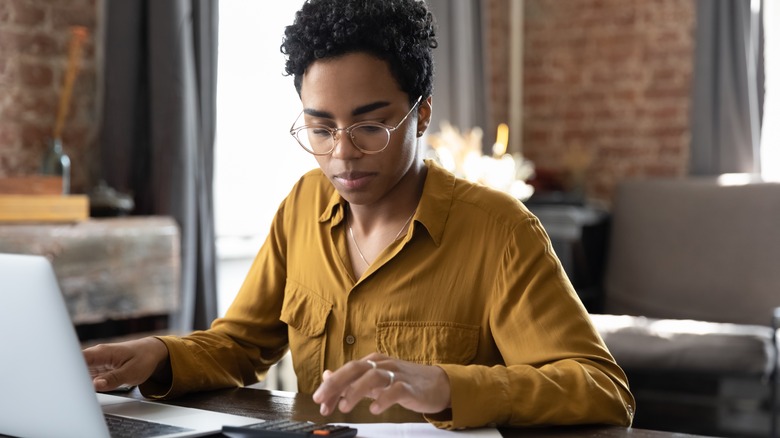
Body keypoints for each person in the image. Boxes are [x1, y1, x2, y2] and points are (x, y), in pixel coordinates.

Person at [83, 0, 635, 429]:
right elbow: (241, 346)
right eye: (320, 129)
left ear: (421, 116)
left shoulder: (501, 232)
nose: (342, 154)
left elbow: (602, 389)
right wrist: (155, 354)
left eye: (370, 126)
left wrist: (449, 387)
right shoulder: (302, 205)